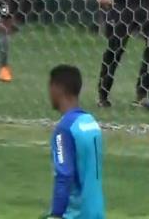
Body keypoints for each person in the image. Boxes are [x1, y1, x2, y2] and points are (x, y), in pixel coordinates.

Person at [44, 64, 105, 219]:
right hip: (95, 212)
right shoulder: (91, 123)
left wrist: (56, 214)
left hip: (74, 214)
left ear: (57, 88)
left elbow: (64, 175)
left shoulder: (65, 129)